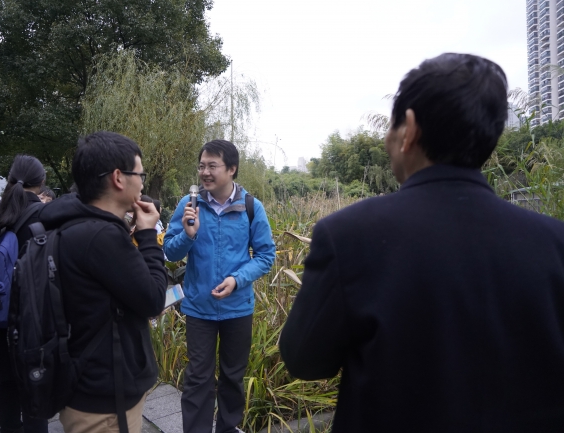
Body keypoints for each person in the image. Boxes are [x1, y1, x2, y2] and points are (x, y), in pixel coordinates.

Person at [279, 53, 564, 432]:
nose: (387, 139)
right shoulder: (554, 242)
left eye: (391, 125)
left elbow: (304, 360)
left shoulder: (348, 235)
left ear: (409, 129)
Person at [38, 131, 166, 432]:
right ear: (119, 178)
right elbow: (153, 299)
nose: (143, 183)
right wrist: (148, 236)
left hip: (85, 383)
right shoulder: (101, 236)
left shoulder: (71, 224)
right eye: (140, 174)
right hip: (106, 401)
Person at [164, 139, 276, 433]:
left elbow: (266, 256)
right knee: (197, 377)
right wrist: (188, 235)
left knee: (232, 377)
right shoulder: (189, 205)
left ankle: (228, 428)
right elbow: (170, 253)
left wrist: (237, 279)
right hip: (199, 307)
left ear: (232, 169)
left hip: (237, 307)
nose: (205, 172)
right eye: (202, 166)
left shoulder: (251, 207)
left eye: (212, 166)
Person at [0, 155, 48, 433]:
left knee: (7, 385)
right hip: (34, 313)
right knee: (35, 387)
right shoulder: (44, 215)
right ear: (41, 181)